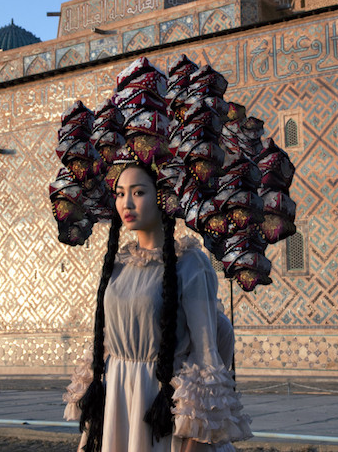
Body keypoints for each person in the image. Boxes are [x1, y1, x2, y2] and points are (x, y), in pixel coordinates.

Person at [64, 164, 251, 452]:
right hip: (118, 404)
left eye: (138, 192)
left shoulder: (189, 264)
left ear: (162, 197)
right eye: (120, 193)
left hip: (162, 407)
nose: (126, 203)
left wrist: (194, 442)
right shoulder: (118, 265)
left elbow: (206, 355)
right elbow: (105, 350)